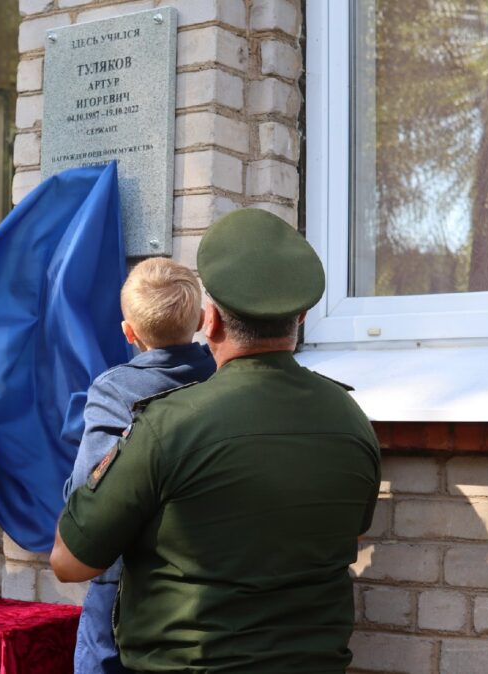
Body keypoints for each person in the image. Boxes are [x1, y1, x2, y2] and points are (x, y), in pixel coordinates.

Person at [50, 209, 382, 673]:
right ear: (301, 317)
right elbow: (353, 532)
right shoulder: (351, 419)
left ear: (210, 321)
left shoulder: (170, 425)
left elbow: (70, 561)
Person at [62, 257, 216, 674]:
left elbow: (87, 497)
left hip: (123, 580)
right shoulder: (223, 378)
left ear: (129, 332)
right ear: (202, 319)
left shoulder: (115, 390)